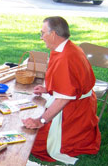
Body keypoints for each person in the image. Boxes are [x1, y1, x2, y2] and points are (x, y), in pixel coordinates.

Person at [22, 16, 101, 165]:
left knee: (34, 141)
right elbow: (70, 83)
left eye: (43, 33)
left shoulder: (66, 56)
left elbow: (64, 99)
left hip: (75, 111)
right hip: (76, 101)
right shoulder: (65, 47)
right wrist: (48, 89)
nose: (41, 37)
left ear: (53, 35)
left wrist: (41, 121)